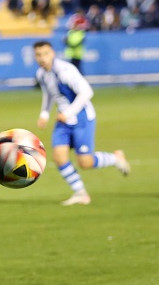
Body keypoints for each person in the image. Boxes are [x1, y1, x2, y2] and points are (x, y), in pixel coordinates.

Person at [32, 41, 129, 206]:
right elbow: (48, 93)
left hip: (82, 118)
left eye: (46, 53)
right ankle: (81, 193)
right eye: (39, 55)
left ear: (53, 53)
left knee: (86, 163)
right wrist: (44, 114)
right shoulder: (41, 73)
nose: (42, 58)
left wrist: (68, 113)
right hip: (63, 121)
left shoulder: (66, 70)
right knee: (59, 158)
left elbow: (87, 92)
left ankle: (115, 158)